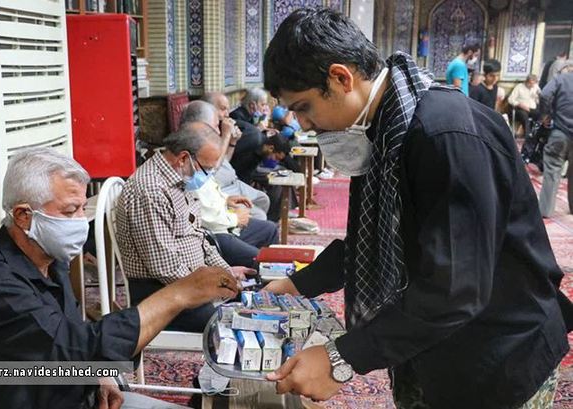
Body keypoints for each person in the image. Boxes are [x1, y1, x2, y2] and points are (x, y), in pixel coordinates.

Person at [262, 7, 571, 408]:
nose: (303, 124)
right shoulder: (388, 128)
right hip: (430, 343)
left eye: (303, 107)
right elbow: (375, 240)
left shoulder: (444, 135)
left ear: (340, 78)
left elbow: (456, 287)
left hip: (496, 353)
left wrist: (343, 358)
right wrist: (299, 285)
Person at [0, 148, 239, 409]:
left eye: (82, 209)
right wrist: (178, 295)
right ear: (23, 216)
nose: (80, 222)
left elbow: (68, 345)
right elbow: (74, 348)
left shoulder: (49, 261)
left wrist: (98, 377)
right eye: (69, 211)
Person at [116, 122, 250, 333]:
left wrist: (225, 274)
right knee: (234, 325)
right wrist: (212, 286)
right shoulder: (150, 190)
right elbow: (165, 268)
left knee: (251, 300)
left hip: (190, 282)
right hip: (163, 294)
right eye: (206, 169)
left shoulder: (180, 179)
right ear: (183, 158)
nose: (207, 176)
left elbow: (199, 237)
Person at [179, 101, 279, 267]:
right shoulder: (188, 155)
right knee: (260, 259)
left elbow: (208, 186)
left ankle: (266, 275)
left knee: (269, 229)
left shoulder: (202, 152)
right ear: (200, 125)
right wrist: (234, 219)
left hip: (222, 218)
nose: (219, 130)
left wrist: (225, 200)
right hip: (212, 234)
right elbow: (202, 216)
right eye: (215, 126)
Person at [201, 92, 272, 220]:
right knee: (259, 215)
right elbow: (213, 167)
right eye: (223, 109)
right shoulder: (201, 133)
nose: (227, 114)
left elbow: (225, 160)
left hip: (233, 181)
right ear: (208, 110)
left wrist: (232, 142)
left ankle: (261, 227)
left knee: (263, 199)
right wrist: (226, 135)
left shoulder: (217, 128)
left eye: (228, 109)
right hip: (221, 188)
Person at [538, 61, 573, 218]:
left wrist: (545, 115)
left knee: (552, 170)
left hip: (560, 132)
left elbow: (545, 94)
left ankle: (546, 210)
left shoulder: (561, 79)